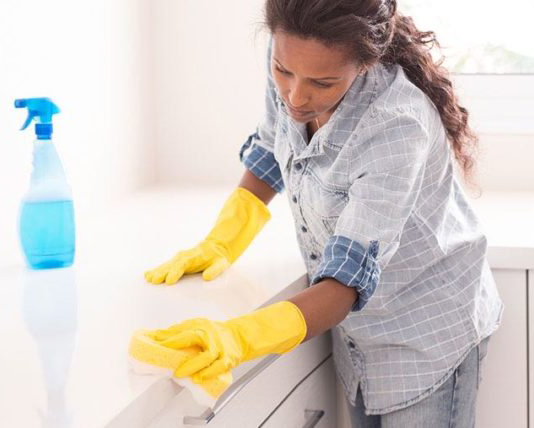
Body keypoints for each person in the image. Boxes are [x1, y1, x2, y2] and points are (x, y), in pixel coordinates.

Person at [139, 0, 504, 426]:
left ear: (364, 64)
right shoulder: (296, 56)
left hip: (424, 332)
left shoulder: (394, 127)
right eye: (282, 71)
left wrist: (238, 337)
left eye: (322, 83)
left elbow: (345, 283)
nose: (295, 96)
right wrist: (223, 238)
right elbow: (272, 146)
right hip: (358, 335)